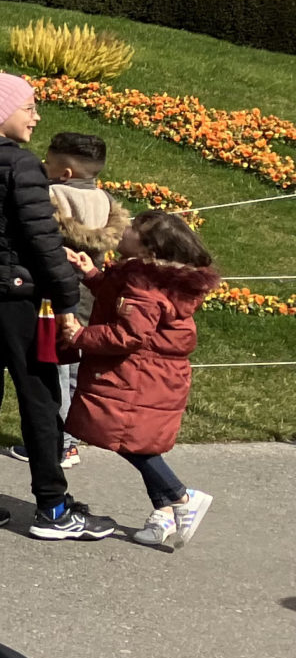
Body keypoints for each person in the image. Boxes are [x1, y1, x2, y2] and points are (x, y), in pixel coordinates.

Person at [0, 62, 113, 541]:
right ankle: (53, 507)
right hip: (19, 296)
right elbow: (40, 239)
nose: (36, 117)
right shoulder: (20, 165)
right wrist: (68, 295)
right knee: (40, 398)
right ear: (2, 113)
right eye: (29, 107)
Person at [61, 210, 218, 551]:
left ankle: (181, 496)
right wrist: (91, 274)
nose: (125, 229)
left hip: (139, 375)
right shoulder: (149, 275)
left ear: (149, 248)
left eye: (133, 228)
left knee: (128, 440)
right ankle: (165, 512)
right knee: (138, 440)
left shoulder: (145, 285)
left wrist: (80, 336)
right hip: (151, 375)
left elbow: (129, 334)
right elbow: (120, 301)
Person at [32, 130, 124, 469]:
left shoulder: (51, 195)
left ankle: (60, 443)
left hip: (54, 296)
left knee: (54, 371)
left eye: (48, 161)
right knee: (74, 371)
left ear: (65, 172)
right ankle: (71, 438)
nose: (43, 165)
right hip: (90, 294)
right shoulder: (105, 201)